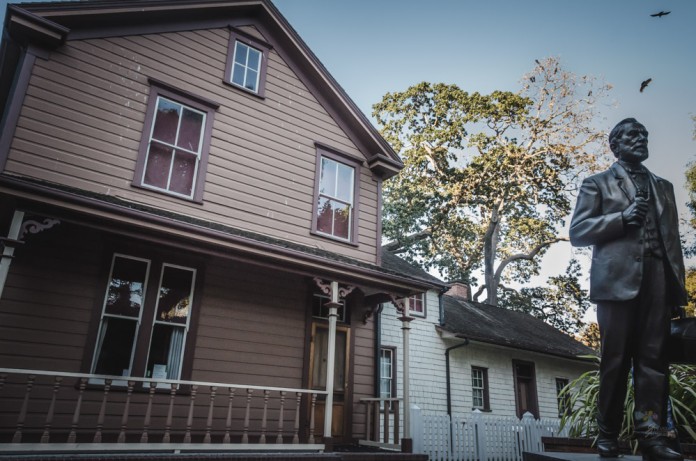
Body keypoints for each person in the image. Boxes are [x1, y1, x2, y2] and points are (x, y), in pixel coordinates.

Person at [569, 118, 686, 461]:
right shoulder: (597, 184)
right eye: (633, 135)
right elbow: (578, 231)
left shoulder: (664, 187)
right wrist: (622, 218)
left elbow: (672, 242)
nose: (642, 139)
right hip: (615, 283)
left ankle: (651, 437)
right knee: (615, 362)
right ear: (615, 144)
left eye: (644, 135)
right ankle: (607, 435)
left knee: (654, 364)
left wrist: (677, 292)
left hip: (659, 280)